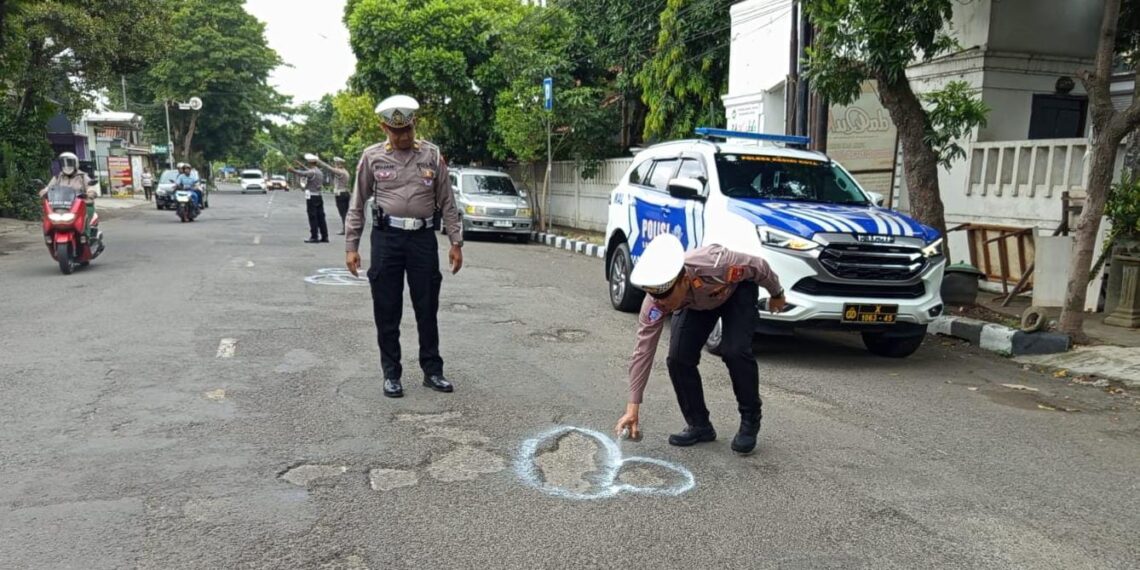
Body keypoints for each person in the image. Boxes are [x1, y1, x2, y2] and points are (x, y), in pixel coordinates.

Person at [614, 234, 786, 455]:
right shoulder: (656, 302)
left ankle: (750, 419)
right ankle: (699, 425)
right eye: (656, 298)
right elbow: (643, 351)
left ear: (684, 280)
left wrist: (777, 294)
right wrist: (633, 406)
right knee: (678, 358)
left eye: (666, 297)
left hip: (735, 292)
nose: (661, 304)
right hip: (695, 304)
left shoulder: (718, 263)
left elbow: (760, 267)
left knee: (734, 351)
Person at [344, 94, 463, 398]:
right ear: (384, 127)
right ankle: (391, 374)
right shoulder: (372, 157)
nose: (402, 137)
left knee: (427, 307)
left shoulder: (432, 156)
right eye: (395, 132)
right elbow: (357, 203)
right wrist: (351, 246)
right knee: (387, 309)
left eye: (407, 130)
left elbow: (448, 202)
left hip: (423, 240)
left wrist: (455, 241)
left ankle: (432, 371)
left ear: (414, 124)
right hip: (387, 239)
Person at [40, 153, 97, 237]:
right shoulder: (58, 177)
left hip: (81, 204)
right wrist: (43, 192)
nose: (67, 166)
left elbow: (91, 187)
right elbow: (49, 187)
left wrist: (90, 193)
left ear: (75, 163)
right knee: (48, 217)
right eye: (64, 163)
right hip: (62, 204)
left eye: (69, 163)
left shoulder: (82, 176)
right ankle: (49, 236)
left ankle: (86, 237)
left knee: (86, 216)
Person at [289, 154, 328, 243]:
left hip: (311, 196)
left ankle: (314, 236)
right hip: (319, 196)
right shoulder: (319, 172)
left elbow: (303, 173)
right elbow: (308, 171)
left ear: (310, 162)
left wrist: (293, 170)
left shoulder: (311, 172)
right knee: (321, 216)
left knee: (312, 216)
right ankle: (324, 236)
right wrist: (301, 165)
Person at [316, 156, 352, 235]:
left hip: (340, 194)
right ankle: (347, 228)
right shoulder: (346, 171)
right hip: (346, 193)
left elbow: (328, 168)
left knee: (343, 213)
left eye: (336, 163)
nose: (334, 164)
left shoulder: (340, 172)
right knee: (345, 212)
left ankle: (345, 229)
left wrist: (318, 161)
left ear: (338, 164)